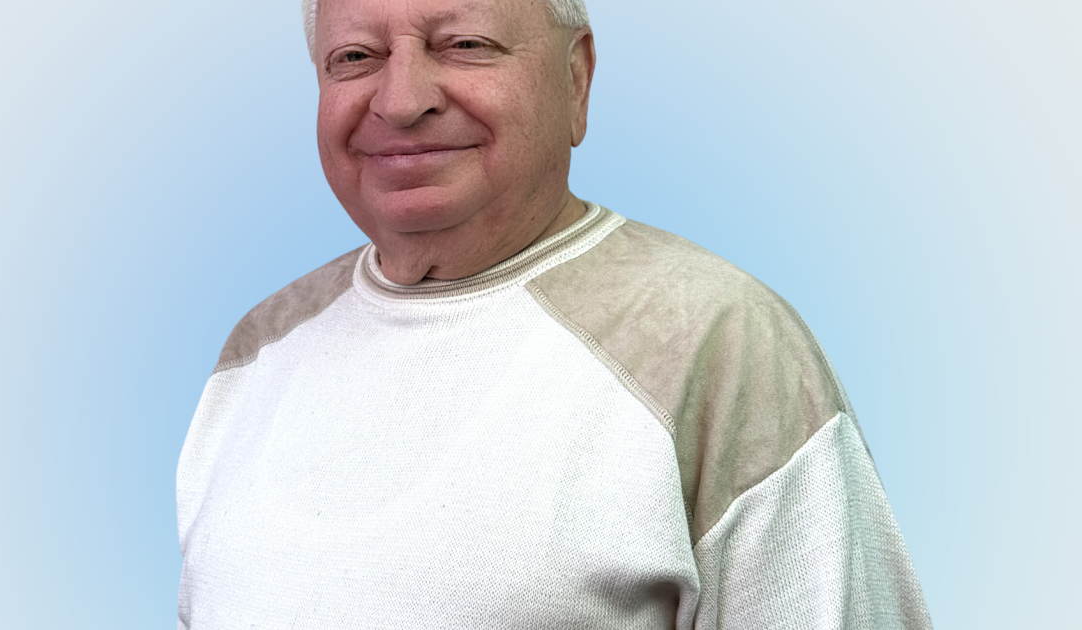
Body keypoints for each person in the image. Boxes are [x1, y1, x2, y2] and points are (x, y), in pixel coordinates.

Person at [176, 0, 933, 627]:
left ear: (576, 79)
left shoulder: (716, 339)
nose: (402, 100)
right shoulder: (258, 350)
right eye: (355, 57)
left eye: (464, 44)